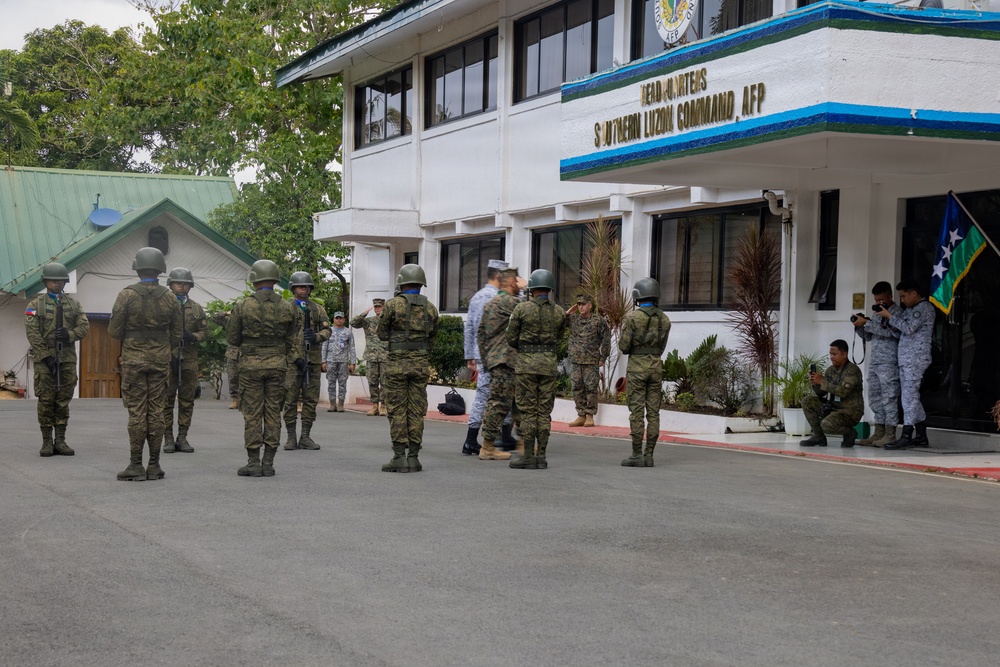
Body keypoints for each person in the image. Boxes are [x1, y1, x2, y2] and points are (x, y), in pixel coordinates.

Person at [109, 247, 181, 481]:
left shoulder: (126, 295)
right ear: (161, 269)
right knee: (157, 410)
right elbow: (177, 333)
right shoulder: (170, 297)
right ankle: (155, 465)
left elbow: (114, 331)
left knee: (137, 412)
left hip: (133, 360)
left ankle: (135, 464)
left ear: (137, 268)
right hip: (160, 360)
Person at [228, 260, 300, 477]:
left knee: (252, 414)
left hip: (250, 367)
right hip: (278, 365)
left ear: (254, 280)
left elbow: (233, 338)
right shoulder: (288, 307)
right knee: (272, 413)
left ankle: (252, 462)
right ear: (276, 279)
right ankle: (268, 463)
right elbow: (292, 338)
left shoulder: (242, 306)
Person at [376, 264, 439, 472]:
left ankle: (398, 457)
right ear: (421, 284)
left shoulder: (392, 305)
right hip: (420, 365)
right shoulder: (431, 307)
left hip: (397, 365)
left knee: (397, 410)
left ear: (401, 283)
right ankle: (414, 457)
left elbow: (382, 334)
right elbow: (433, 337)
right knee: (416, 410)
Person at [24, 262, 90, 457]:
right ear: (45, 281)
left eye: (60, 281)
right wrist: (45, 356)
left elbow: (84, 327)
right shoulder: (35, 305)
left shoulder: (73, 304)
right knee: (46, 399)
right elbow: (32, 332)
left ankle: (60, 440)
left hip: (67, 358)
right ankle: (46, 441)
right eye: (53, 280)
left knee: (63, 400)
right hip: (46, 360)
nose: (56, 284)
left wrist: (69, 335)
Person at [506, 269, 566, 470]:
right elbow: (559, 339)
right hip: (548, 365)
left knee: (528, 411)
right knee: (544, 411)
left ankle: (529, 455)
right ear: (549, 289)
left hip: (526, 366)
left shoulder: (521, 309)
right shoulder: (558, 311)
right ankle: (542, 455)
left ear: (531, 288)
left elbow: (511, 338)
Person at [618, 278, 671, 467]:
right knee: (654, 413)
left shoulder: (632, 318)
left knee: (637, 412)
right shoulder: (664, 319)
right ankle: (649, 455)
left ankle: (636, 454)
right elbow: (662, 347)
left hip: (637, 368)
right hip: (656, 367)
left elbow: (624, 346)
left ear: (638, 296)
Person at [881, 278, 935, 449]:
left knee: (909, 397)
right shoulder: (910, 310)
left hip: (916, 359)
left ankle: (906, 434)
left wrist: (891, 316)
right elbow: (900, 332)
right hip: (906, 359)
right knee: (910, 397)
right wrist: (888, 321)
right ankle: (920, 435)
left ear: (914, 293)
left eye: (903, 296)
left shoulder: (924, 308)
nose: (902, 300)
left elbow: (909, 328)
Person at [476, 266, 523, 462]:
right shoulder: (511, 302)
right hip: (509, 361)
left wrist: (488, 361)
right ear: (512, 283)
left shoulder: (490, 304)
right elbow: (530, 312)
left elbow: (481, 335)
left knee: (515, 403)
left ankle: (523, 444)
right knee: (501, 403)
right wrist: (528, 289)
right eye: (518, 280)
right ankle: (487, 447)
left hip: (498, 360)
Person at [461, 259, 507, 455]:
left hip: (482, 354)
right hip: (500, 354)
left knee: (482, 396)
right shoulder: (502, 297)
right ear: (498, 276)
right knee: (503, 394)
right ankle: (502, 437)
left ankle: (471, 439)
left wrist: (470, 355)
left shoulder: (477, 297)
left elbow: (469, 327)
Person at [283, 271, 332, 451]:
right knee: (290, 399)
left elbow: (328, 331)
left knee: (311, 400)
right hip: (292, 362)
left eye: (307, 287)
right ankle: (290, 437)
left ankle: (305, 436)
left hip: (312, 360)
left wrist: (317, 337)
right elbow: (282, 336)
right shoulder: (286, 308)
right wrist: (295, 357)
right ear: (293, 288)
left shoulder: (318, 309)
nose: (304, 289)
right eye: (301, 286)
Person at [851, 281, 902, 446]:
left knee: (889, 398)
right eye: (876, 300)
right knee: (874, 397)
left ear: (890, 296)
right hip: (875, 362)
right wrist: (859, 327)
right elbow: (869, 336)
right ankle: (878, 432)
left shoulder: (897, 313)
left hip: (889, 362)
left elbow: (894, 333)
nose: (879, 303)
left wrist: (867, 323)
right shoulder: (876, 314)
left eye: (882, 299)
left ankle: (890, 433)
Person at [162, 268, 207, 454]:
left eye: (185, 283)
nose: (182, 286)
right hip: (168, 357)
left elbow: (205, 332)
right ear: (171, 285)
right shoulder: (163, 305)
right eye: (178, 283)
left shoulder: (196, 308)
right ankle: (168, 438)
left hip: (188, 357)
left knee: (187, 400)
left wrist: (193, 336)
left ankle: (182, 437)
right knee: (167, 399)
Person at [800, 339, 865, 448]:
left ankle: (850, 433)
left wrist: (823, 381)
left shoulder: (852, 370)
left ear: (844, 354)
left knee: (827, 424)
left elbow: (843, 392)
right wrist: (815, 383)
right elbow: (821, 393)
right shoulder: (831, 370)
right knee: (807, 401)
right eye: (830, 354)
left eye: (834, 354)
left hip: (850, 411)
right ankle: (818, 437)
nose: (831, 357)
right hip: (833, 407)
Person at [566, 293, 611, 428]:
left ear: (590, 305)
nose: (581, 307)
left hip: (591, 361)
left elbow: (606, 339)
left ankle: (590, 415)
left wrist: (603, 357)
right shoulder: (573, 320)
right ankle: (581, 415)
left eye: (583, 304)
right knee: (576, 387)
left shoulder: (598, 321)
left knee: (591, 388)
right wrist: (568, 313)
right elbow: (558, 322)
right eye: (579, 304)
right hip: (576, 360)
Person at [351, 298, 389, 416]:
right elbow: (353, 322)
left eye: (379, 306)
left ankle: (383, 405)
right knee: (372, 381)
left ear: (384, 307)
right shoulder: (368, 321)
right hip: (371, 356)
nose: (377, 309)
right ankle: (374, 406)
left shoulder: (388, 321)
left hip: (385, 356)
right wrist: (364, 313)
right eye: (376, 307)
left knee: (384, 382)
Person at [322, 311, 356, 412]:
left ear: (344, 320)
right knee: (331, 383)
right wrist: (323, 361)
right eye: (337, 318)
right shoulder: (329, 331)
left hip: (343, 361)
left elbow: (352, 348)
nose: (339, 320)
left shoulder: (348, 332)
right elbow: (324, 347)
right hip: (331, 361)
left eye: (340, 318)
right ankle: (332, 404)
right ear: (333, 320)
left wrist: (352, 362)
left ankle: (341, 404)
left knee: (342, 383)